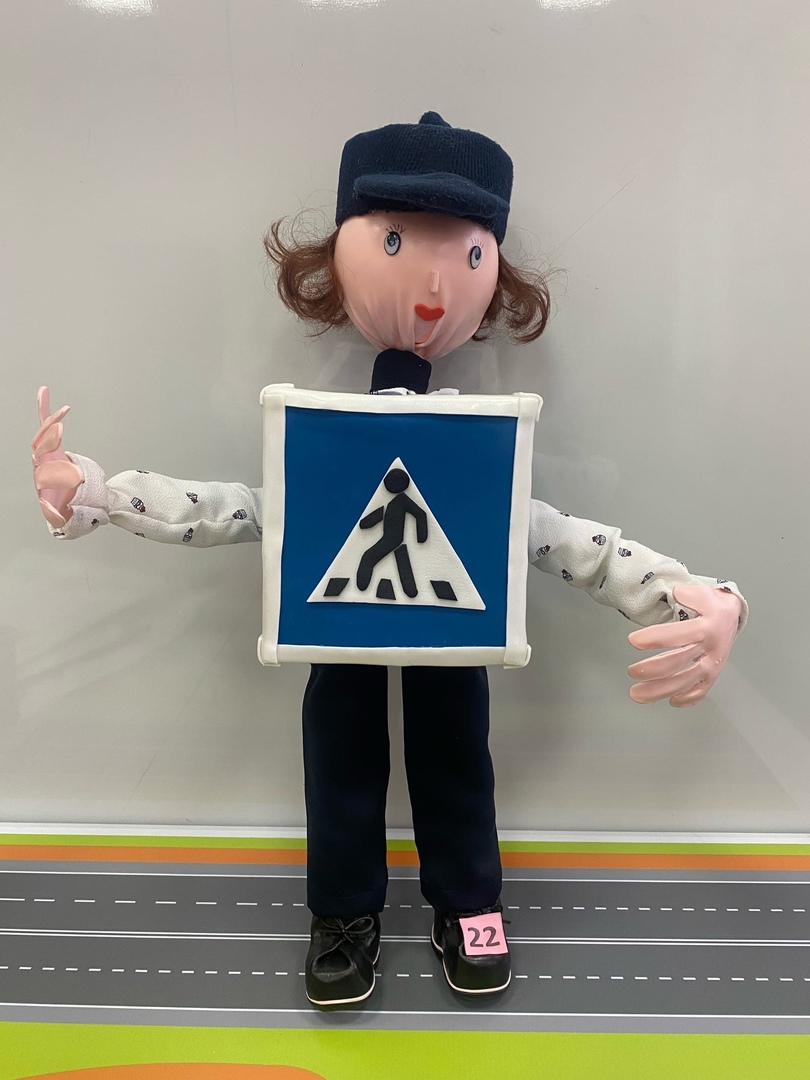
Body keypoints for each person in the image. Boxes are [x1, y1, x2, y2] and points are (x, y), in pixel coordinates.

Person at [32, 112, 747, 1008]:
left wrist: (692, 594)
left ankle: (469, 899)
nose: (437, 283)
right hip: (339, 612)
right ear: (334, 259)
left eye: (469, 253)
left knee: (457, 752)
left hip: (454, 613)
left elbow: (559, 537)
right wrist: (99, 493)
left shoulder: (486, 449)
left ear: (496, 271)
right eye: (399, 240)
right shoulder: (316, 440)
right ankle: (342, 911)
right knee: (339, 751)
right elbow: (234, 509)